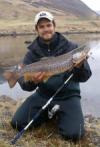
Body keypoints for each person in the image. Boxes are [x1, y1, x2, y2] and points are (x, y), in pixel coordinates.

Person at [11, 11, 92, 142]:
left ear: (54, 26)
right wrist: (33, 81)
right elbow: (26, 86)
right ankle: (49, 114)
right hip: (43, 95)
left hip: (68, 96)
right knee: (16, 123)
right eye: (41, 27)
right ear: (36, 30)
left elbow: (85, 77)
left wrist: (80, 66)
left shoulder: (71, 47)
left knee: (73, 135)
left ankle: (59, 114)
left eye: (48, 25)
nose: (46, 29)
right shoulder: (31, 53)